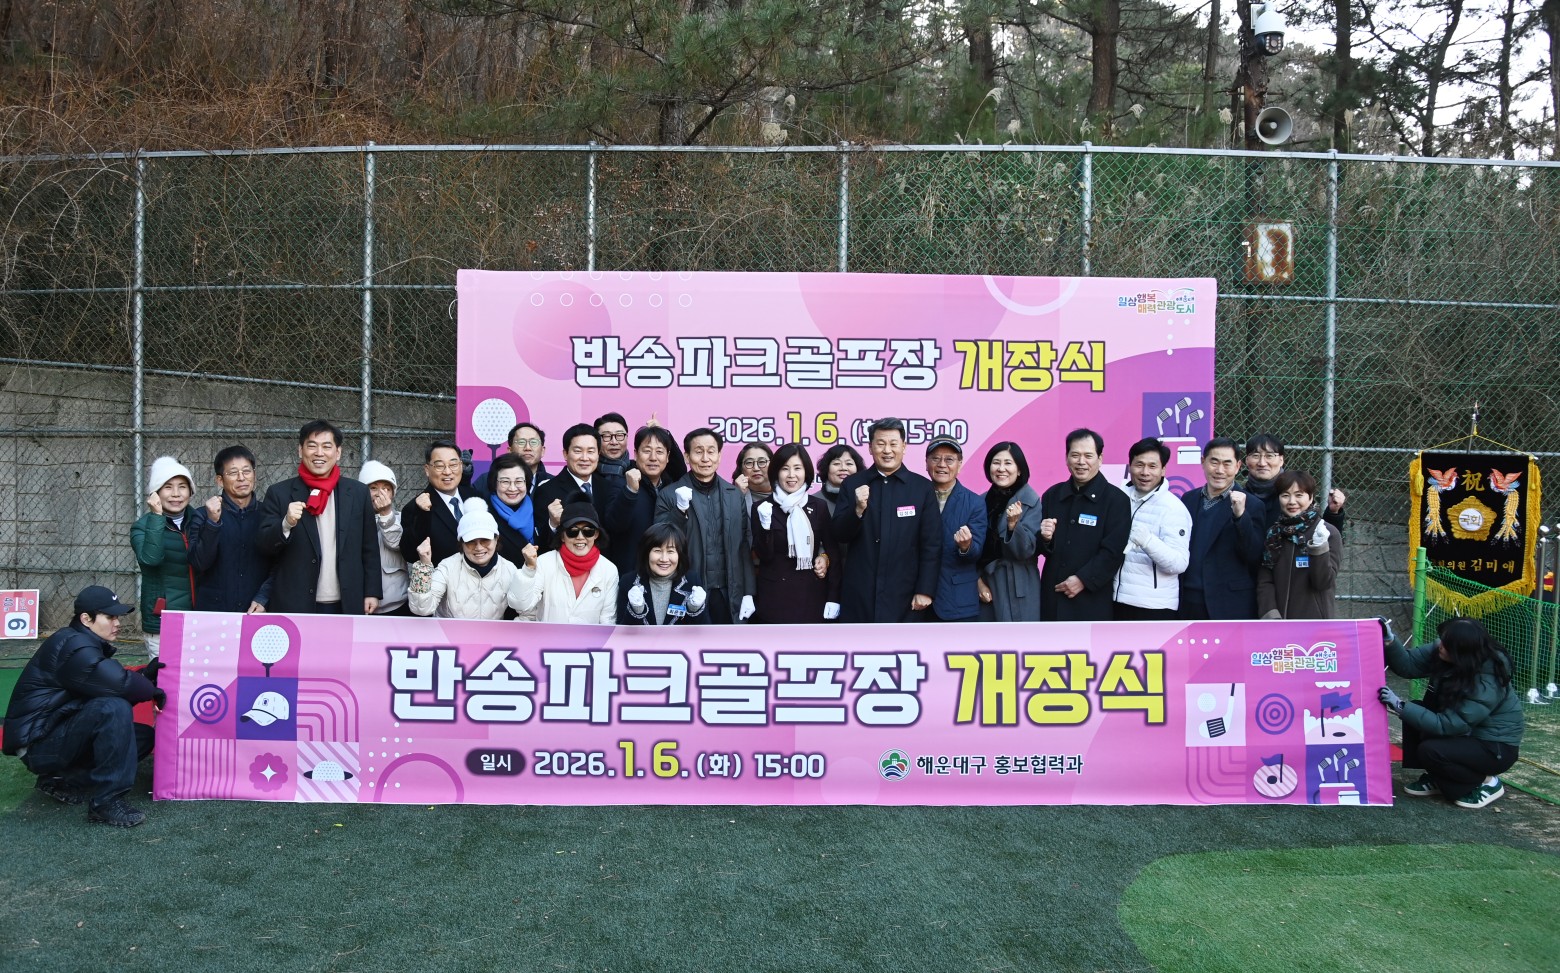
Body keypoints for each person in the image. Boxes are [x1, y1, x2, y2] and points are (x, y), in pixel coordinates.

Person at [2, 585, 163, 827]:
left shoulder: (78, 641)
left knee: (141, 737)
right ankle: (106, 803)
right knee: (114, 707)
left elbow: (109, 684)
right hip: (37, 745)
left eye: (117, 617)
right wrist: (153, 689)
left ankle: (64, 779)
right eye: (110, 617)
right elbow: (119, 684)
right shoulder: (74, 646)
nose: (117, 623)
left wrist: (145, 676)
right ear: (86, 619)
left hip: (54, 731)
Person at [1380, 618, 1524, 809]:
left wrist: (1399, 706)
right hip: (1464, 733)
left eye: (1446, 644)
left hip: (1494, 747)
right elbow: (1408, 664)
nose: (1440, 645)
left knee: (1430, 749)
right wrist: (1390, 640)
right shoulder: (1445, 649)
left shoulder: (1487, 680)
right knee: (1416, 712)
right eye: (1442, 639)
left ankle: (1486, 782)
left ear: (1462, 652)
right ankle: (1438, 776)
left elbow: (1450, 725)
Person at [257, 419, 381, 615]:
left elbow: (370, 547)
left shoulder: (357, 492)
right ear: (300, 450)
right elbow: (264, 545)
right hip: (295, 602)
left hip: (347, 601)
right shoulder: (279, 493)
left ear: (338, 452)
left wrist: (372, 592)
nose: (319, 453)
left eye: (327, 446)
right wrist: (286, 524)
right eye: (312, 446)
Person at [832, 418, 941, 623]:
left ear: (904, 447)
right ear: (870, 447)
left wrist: (925, 590)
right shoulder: (853, 484)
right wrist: (857, 510)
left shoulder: (922, 488)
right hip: (860, 593)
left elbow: (931, 544)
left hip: (905, 595)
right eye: (880, 443)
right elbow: (839, 534)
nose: (887, 450)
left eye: (893, 444)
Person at [654, 427, 755, 624]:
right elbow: (661, 542)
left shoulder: (734, 495)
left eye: (711, 451)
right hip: (688, 589)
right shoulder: (669, 495)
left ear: (719, 456)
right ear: (687, 457)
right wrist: (679, 511)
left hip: (729, 591)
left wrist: (749, 592)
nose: (705, 458)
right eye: (698, 451)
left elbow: (744, 546)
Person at [1037, 428, 1131, 622]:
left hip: (1091, 600)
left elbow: (1113, 552)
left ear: (1100, 459)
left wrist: (1083, 580)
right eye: (1075, 455)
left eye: (1088, 456)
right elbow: (1039, 549)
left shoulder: (1116, 500)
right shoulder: (1052, 495)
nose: (1081, 462)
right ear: (1066, 458)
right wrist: (1045, 539)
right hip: (1052, 597)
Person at [751, 443, 841, 622]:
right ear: (776, 472)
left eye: (797, 468)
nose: (791, 475)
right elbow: (764, 556)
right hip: (774, 596)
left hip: (811, 595)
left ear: (806, 472)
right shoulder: (761, 508)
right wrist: (766, 526)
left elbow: (833, 552)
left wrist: (833, 597)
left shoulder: (819, 506)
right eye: (785, 469)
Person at [1180, 437, 1266, 620]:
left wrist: (1240, 516)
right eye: (1214, 462)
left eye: (1227, 463)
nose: (1220, 470)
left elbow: (1253, 555)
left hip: (1229, 603)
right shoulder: (1187, 499)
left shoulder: (1253, 505)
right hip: (1187, 599)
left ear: (1238, 466)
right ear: (1203, 462)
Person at [408, 498, 530, 620]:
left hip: (491, 632)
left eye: (485, 540)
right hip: (451, 632)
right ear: (461, 543)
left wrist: (529, 571)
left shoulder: (509, 569)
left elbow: (525, 609)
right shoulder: (447, 567)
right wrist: (423, 567)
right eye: (471, 541)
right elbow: (422, 609)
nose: (479, 548)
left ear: (496, 539)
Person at [187, 444, 273, 615]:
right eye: (233, 473)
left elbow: (281, 564)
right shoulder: (202, 515)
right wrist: (212, 523)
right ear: (220, 480)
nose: (241, 478)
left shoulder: (268, 514)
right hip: (214, 613)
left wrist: (264, 597)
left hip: (257, 611)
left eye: (246, 471)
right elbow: (199, 563)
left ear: (254, 475)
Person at [1112, 437, 1192, 621]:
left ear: (1163, 470)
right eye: (1139, 465)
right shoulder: (1118, 498)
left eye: (1152, 466)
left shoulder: (1173, 508)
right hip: (1115, 598)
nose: (1145, 472)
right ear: (1130, 467)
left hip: (1153, 605)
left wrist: (1148, 541)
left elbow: (1179, 563)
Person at [131, 455, 197, 657]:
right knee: (163, 674)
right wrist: (156, 517)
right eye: (168, 487)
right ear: (156, 493)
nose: (176, 494)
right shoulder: (143, 526)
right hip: (162, 621)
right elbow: (151, 560)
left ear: (190, 491)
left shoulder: (201, 520)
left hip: (199, 619)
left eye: (182, 487)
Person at [513, 501, 619, 624]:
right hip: (549, 637)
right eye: (572, 531)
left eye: (588, 531)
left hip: (591, 638)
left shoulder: (609, 570)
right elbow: (521, 606)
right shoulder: (544, 562)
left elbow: (608, 621)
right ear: (562, 536)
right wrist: (528, 570)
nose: (580, 537)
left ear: (596, 535)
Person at [1257, 470, 1341, 619]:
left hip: (1314, 623)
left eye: (1299, 495)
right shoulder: (1273, 534)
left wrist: (1318, 548)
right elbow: (1265, 580)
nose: (1291, 501)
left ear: (1311, 497)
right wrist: (1271, 615)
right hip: (1278, 623)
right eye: (1285, 495)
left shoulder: (1328, 533)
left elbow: (1322, 583)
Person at [977, 442, 1043, 622]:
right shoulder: (980, 501)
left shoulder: (1031, 501)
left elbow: (1026, 550)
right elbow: (974, 550)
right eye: (996, 462)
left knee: (1020, 638)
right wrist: (978, 582)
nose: (1001, 469)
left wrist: (1014, 526)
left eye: (1008, 463)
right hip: (987, 584)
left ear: (1019, 469)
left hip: (1019, 585)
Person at [604, 424, 681, 575]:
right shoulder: (620, 485)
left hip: (666, 575)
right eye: (646, 451)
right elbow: (614, 526)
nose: (653, 457)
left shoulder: (672, 489)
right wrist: (630, 491)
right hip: (631, 576)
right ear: (636, 454)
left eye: (659, 452)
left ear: (667, 457)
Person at [923, 437, 985, 623]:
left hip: (957, 601)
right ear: (926, 463)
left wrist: (966, 546)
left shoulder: (974, 502)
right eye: (935, 458)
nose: (942, 464)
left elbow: (977, 551)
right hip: (917, 598)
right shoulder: (914, 495)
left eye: (949, 459)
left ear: (959, 464)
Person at [399, 439, 483, 569]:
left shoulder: (475, 497)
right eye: (439, 466)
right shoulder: (414, 508)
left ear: (461, 466)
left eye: (453, 464)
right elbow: (409, 554)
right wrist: (422, 514)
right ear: (427, 470)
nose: (447, 471)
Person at [1241, 434, 1348, 533]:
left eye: (1269, 456)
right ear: (1246, 460)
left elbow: (1323, 536)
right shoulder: (1239, 497)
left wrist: (1333, 513)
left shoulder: (1297, 492)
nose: (1262, 463)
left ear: (1281, 460)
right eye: (1255, 456)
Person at [531, 423, 614, 551]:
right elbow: (540, 543)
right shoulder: (547, 491)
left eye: (591, 451)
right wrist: (552, 524)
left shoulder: (608, 487)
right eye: (578, 451)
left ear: (598, 454)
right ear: (565, 454)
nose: (585, 458)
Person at [618, 522, 710, 625]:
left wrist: (694, 609)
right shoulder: (628, 582)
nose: (664, 559)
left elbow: (704, 630)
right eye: (657, 550)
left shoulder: (692, 581)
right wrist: (636, 610)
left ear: (680, 554)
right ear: (646, 553)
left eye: (670, 551)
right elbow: (621, 631)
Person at [359, 460, 409, 615]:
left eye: (386, 488)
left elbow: (396, 543)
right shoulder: (353, 520)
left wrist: (386, 514)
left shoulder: (401, 519)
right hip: (361, 602)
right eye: (373, 488)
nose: (379, 493)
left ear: (393, 493)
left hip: (396, 603)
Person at [485, 453, 536, 556]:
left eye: (519, 481)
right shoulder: (484, 515)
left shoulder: (538, 507)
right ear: (494, 483)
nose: (512, 488)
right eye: (505, 482)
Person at [815, 443, 864, 519]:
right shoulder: (813, 501)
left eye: (849, 463)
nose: (843, 468)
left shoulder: (867, 499)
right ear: (826, 468)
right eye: (836, 463)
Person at [504, 421, 553, 492]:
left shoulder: (554, 484)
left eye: (533, 442)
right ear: (510, 451)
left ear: (542, 451)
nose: (527, 448)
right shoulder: (491, 482)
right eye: (521, 442)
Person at [594, 412, 633, 498]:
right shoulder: (588, 473)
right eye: (606, 436)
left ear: (627, 437)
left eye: (619, 435)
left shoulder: (637, 470)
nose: (614, 442)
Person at [734, 442, 774, 512]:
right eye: (749, 463)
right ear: (741, 468)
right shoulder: (730, 496)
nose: (756, 468)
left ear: (772, 464)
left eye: (762, 462)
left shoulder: (786, 492)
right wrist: (737, 496)